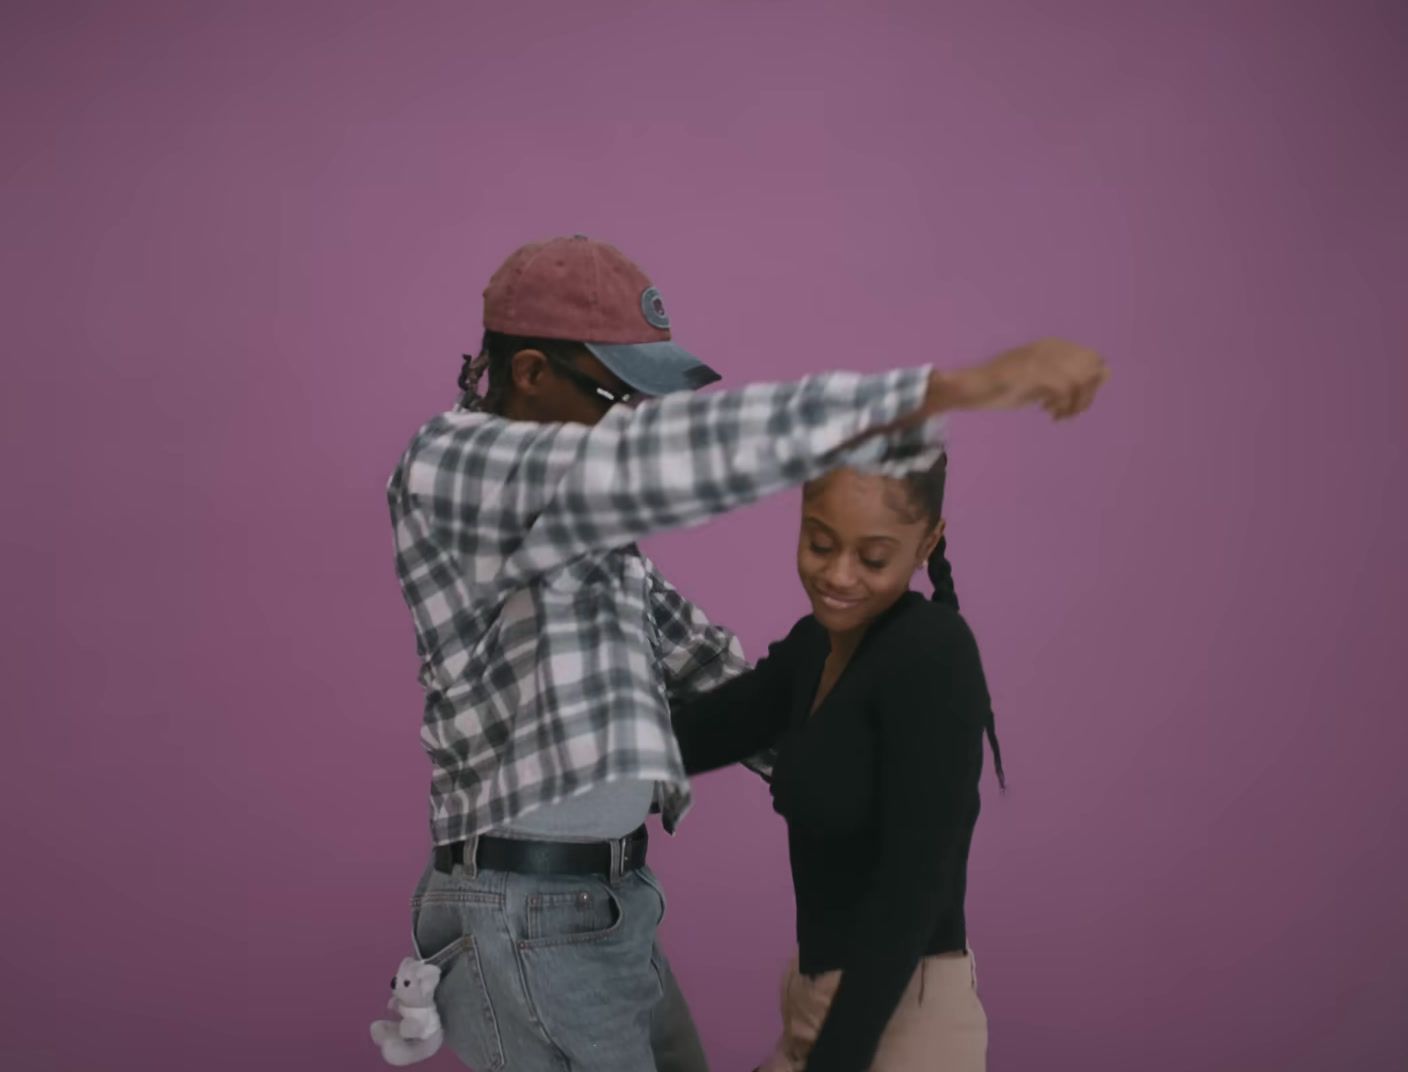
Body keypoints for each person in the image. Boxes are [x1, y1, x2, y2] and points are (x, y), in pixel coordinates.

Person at [384, 233, 1108, 1071]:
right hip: (524, 906)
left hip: (613, 904)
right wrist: (946, 392)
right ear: (534, 373)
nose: (636, 421)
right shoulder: (448, 468)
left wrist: (879, 745)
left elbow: (715, 686)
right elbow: (670, 459)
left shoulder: (595, 551)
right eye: (619, 397)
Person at [672, 452, 1000, 1071]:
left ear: (928, 542)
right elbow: (693, 736)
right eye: (820, 544)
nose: (839, 576)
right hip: (816, 1005)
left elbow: (913, 887)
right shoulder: (815, 645)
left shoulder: (934, 653)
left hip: (900, 1021)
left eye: (873, 558)